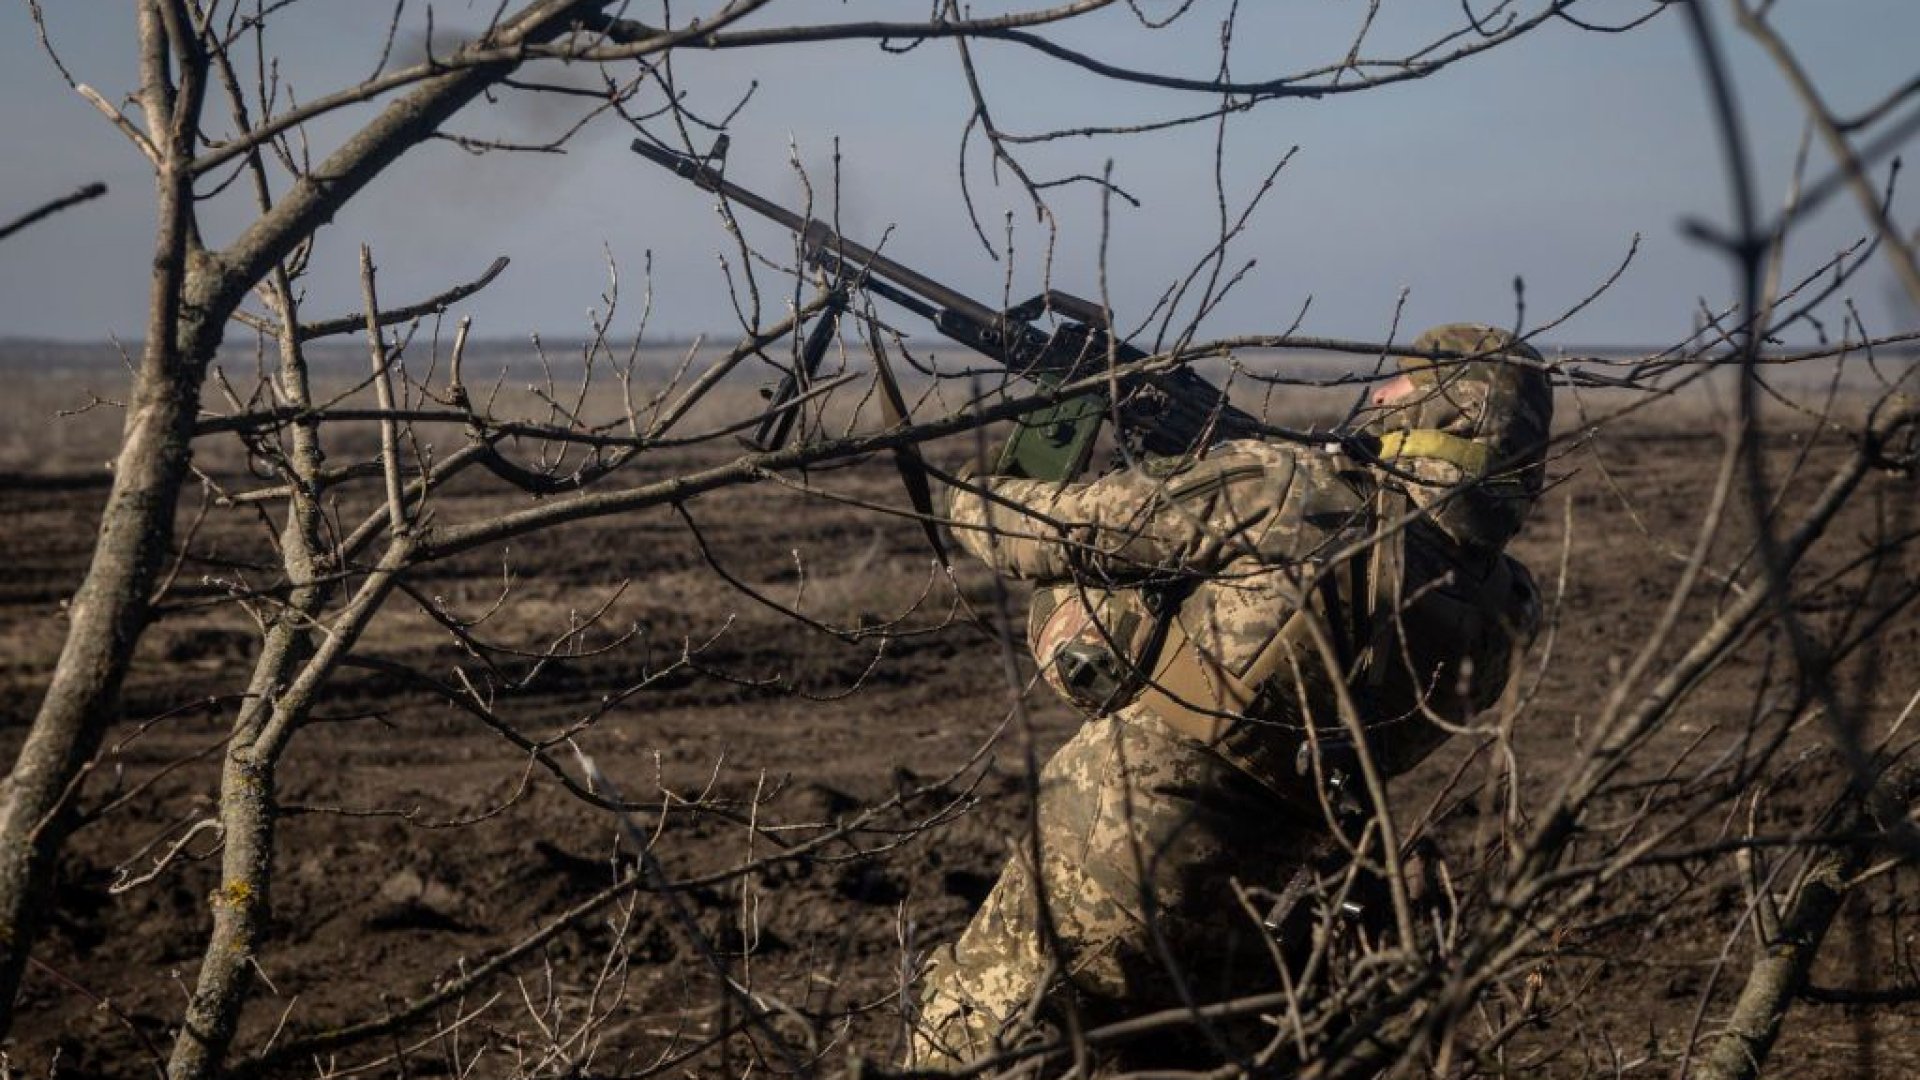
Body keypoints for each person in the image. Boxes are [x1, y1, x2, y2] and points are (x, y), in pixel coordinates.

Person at [910, 324, 1554, 1071]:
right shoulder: (1507, 608)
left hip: (1112, 859)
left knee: (970, 1045)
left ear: (1448, 416)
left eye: (1404, 387)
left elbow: (1039, 532)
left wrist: (968, 490)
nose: (1379, 394)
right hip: (1262, 915)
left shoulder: (1288, 487)